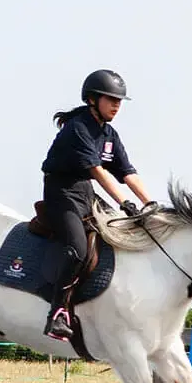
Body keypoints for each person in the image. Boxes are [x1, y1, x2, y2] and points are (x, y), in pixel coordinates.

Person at [37, 68, 156, 342]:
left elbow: (127, 172)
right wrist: (124, 202)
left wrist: (149, 203)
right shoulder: (78, 128)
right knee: (78, 249)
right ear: (92, 99)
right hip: (61, 192)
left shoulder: (109, 134)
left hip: (85, 193)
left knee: (120, 235)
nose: (116, 105)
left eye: (119, 101)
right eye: (110, 99)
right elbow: (98, 171)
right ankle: (57, 313)